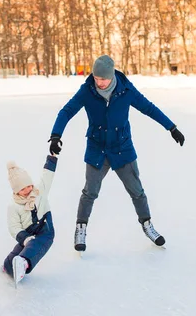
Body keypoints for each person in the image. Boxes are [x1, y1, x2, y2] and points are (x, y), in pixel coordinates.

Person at [48, 55, 185, 252]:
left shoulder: (126, 90)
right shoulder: (87, 91)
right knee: (90, 192)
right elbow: (67, 111)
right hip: (97, 149)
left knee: (137, 191)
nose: (99, 82)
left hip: (122, 148)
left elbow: (148, 108)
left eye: (103, 79)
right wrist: (55, 135)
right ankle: (81, 228)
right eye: (96, 78)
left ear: (111, 76)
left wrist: (171, 127)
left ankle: (147, 225)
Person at [2, 155, 58, 286]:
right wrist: (25, 238)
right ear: (16, 191)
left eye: (28, 186)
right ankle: (9, 266)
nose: (27, 190)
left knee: (37, 244)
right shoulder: (13, 206)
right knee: (23, 248)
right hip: (27, 233)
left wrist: (52, 158)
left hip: (45, 229)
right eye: (22, 189)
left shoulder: (39, 191)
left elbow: (47, 176)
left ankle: (23, 262)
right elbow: (14, 227)